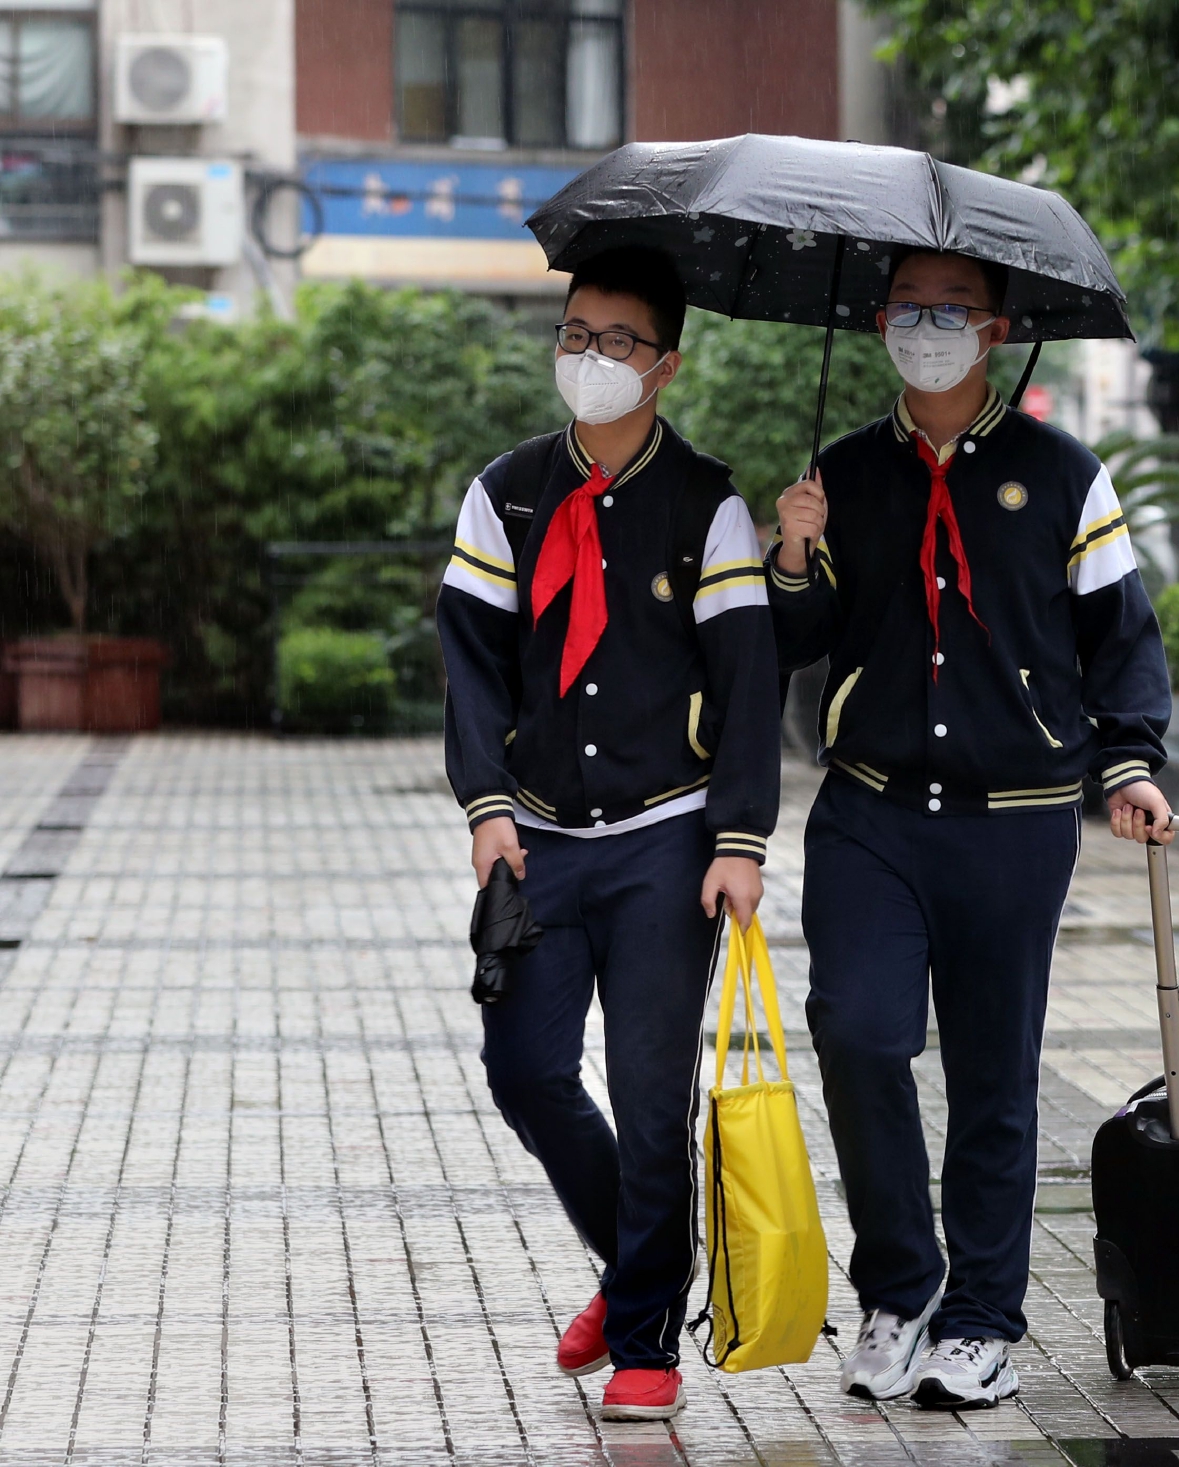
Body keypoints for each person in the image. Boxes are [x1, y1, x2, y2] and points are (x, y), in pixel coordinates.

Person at [768, 248, 1174, 1409]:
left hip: (1017, 822)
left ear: (994, 332)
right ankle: (898, 1288)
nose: (923, 328)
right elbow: (792, 643)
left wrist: (1129, 762)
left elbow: (1121, 640)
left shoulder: (1062, 473)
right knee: (855, 1033)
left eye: (949, 312)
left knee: (993, 1076)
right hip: (868, 816)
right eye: (905, 309)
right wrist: (794, 550)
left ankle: (982, 1322)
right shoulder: (840, 473)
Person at [437, 246, 780, 1422]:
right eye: (573, 336)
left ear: (666, 366)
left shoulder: (710, 505)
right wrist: (485, 806)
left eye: (616, 343)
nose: (588, 360)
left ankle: (644, 1335)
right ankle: (636, 1265)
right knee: (524, 1071)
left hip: (665, 842)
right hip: (535, 837)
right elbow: (472, 668)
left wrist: (740, 839)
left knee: (649, 1096)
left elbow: (747, 684)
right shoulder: (510, 492)